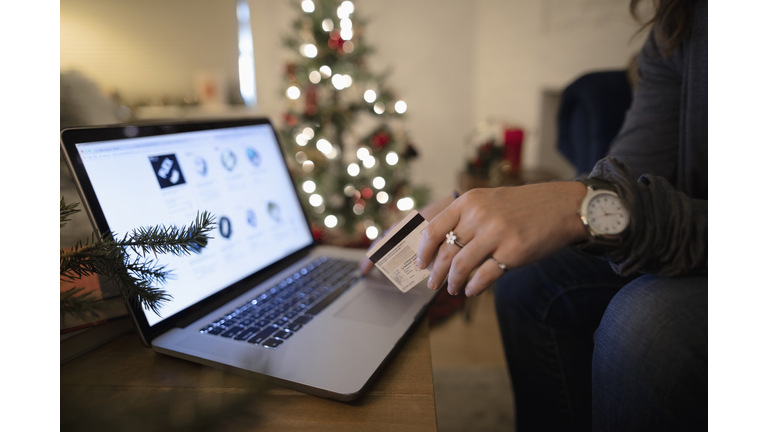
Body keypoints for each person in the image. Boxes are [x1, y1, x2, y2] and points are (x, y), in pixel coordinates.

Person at [362, 0, 707, 430]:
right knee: (529, 273)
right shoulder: (680, 21)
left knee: (648, 330)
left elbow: (601, 201)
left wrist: (578, 207)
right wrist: (463, 202)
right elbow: (629, 175)